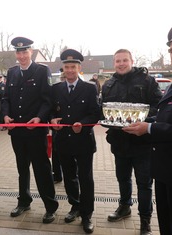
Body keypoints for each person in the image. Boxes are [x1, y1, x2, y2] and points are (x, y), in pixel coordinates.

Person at [101, 49, 163, 235]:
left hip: (142, 142)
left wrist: (143, 121)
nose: (121, 64)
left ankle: (145, 220)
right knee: (123, 178)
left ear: (131, 61)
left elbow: (158, 107)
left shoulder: (146, 81)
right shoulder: (109, 85)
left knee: (144, 184)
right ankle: (124, 206)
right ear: (114, 63)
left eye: (124, 60)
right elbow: (104, 110)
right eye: (118, 61)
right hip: (119, 142)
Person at [1, 36, 59, 224]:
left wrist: (40, 117)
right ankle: (24, 201)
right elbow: (6, 99)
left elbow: (47, 99)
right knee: (22, 168)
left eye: (25, 51)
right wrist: (6, 115)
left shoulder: (42, 71)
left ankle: (51, 207)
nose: (22, 55)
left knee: (42, 169)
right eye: (18, 52)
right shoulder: (12, 73)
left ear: (31, 52)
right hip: (17, 131)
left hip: (35, 131)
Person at [121, 29, 172, 235]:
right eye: (171, 49)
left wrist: (148, 127)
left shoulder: (147, 81)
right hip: (163, 168)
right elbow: (164, 115)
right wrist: (143, 122)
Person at [51, 49, 100, 234]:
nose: (70, 70)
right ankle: (75, 206)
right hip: (63, 141)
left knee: (86, 179)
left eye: (73, 67)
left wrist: (84, 124)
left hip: (83, 141)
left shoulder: (89, 88)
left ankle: (87, 214)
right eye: (67, 67)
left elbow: (95, 113)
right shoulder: (55, 89)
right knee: (69, 178)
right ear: (63, 68)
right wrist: (52, 121)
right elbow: (51, 111)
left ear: (79, 68)